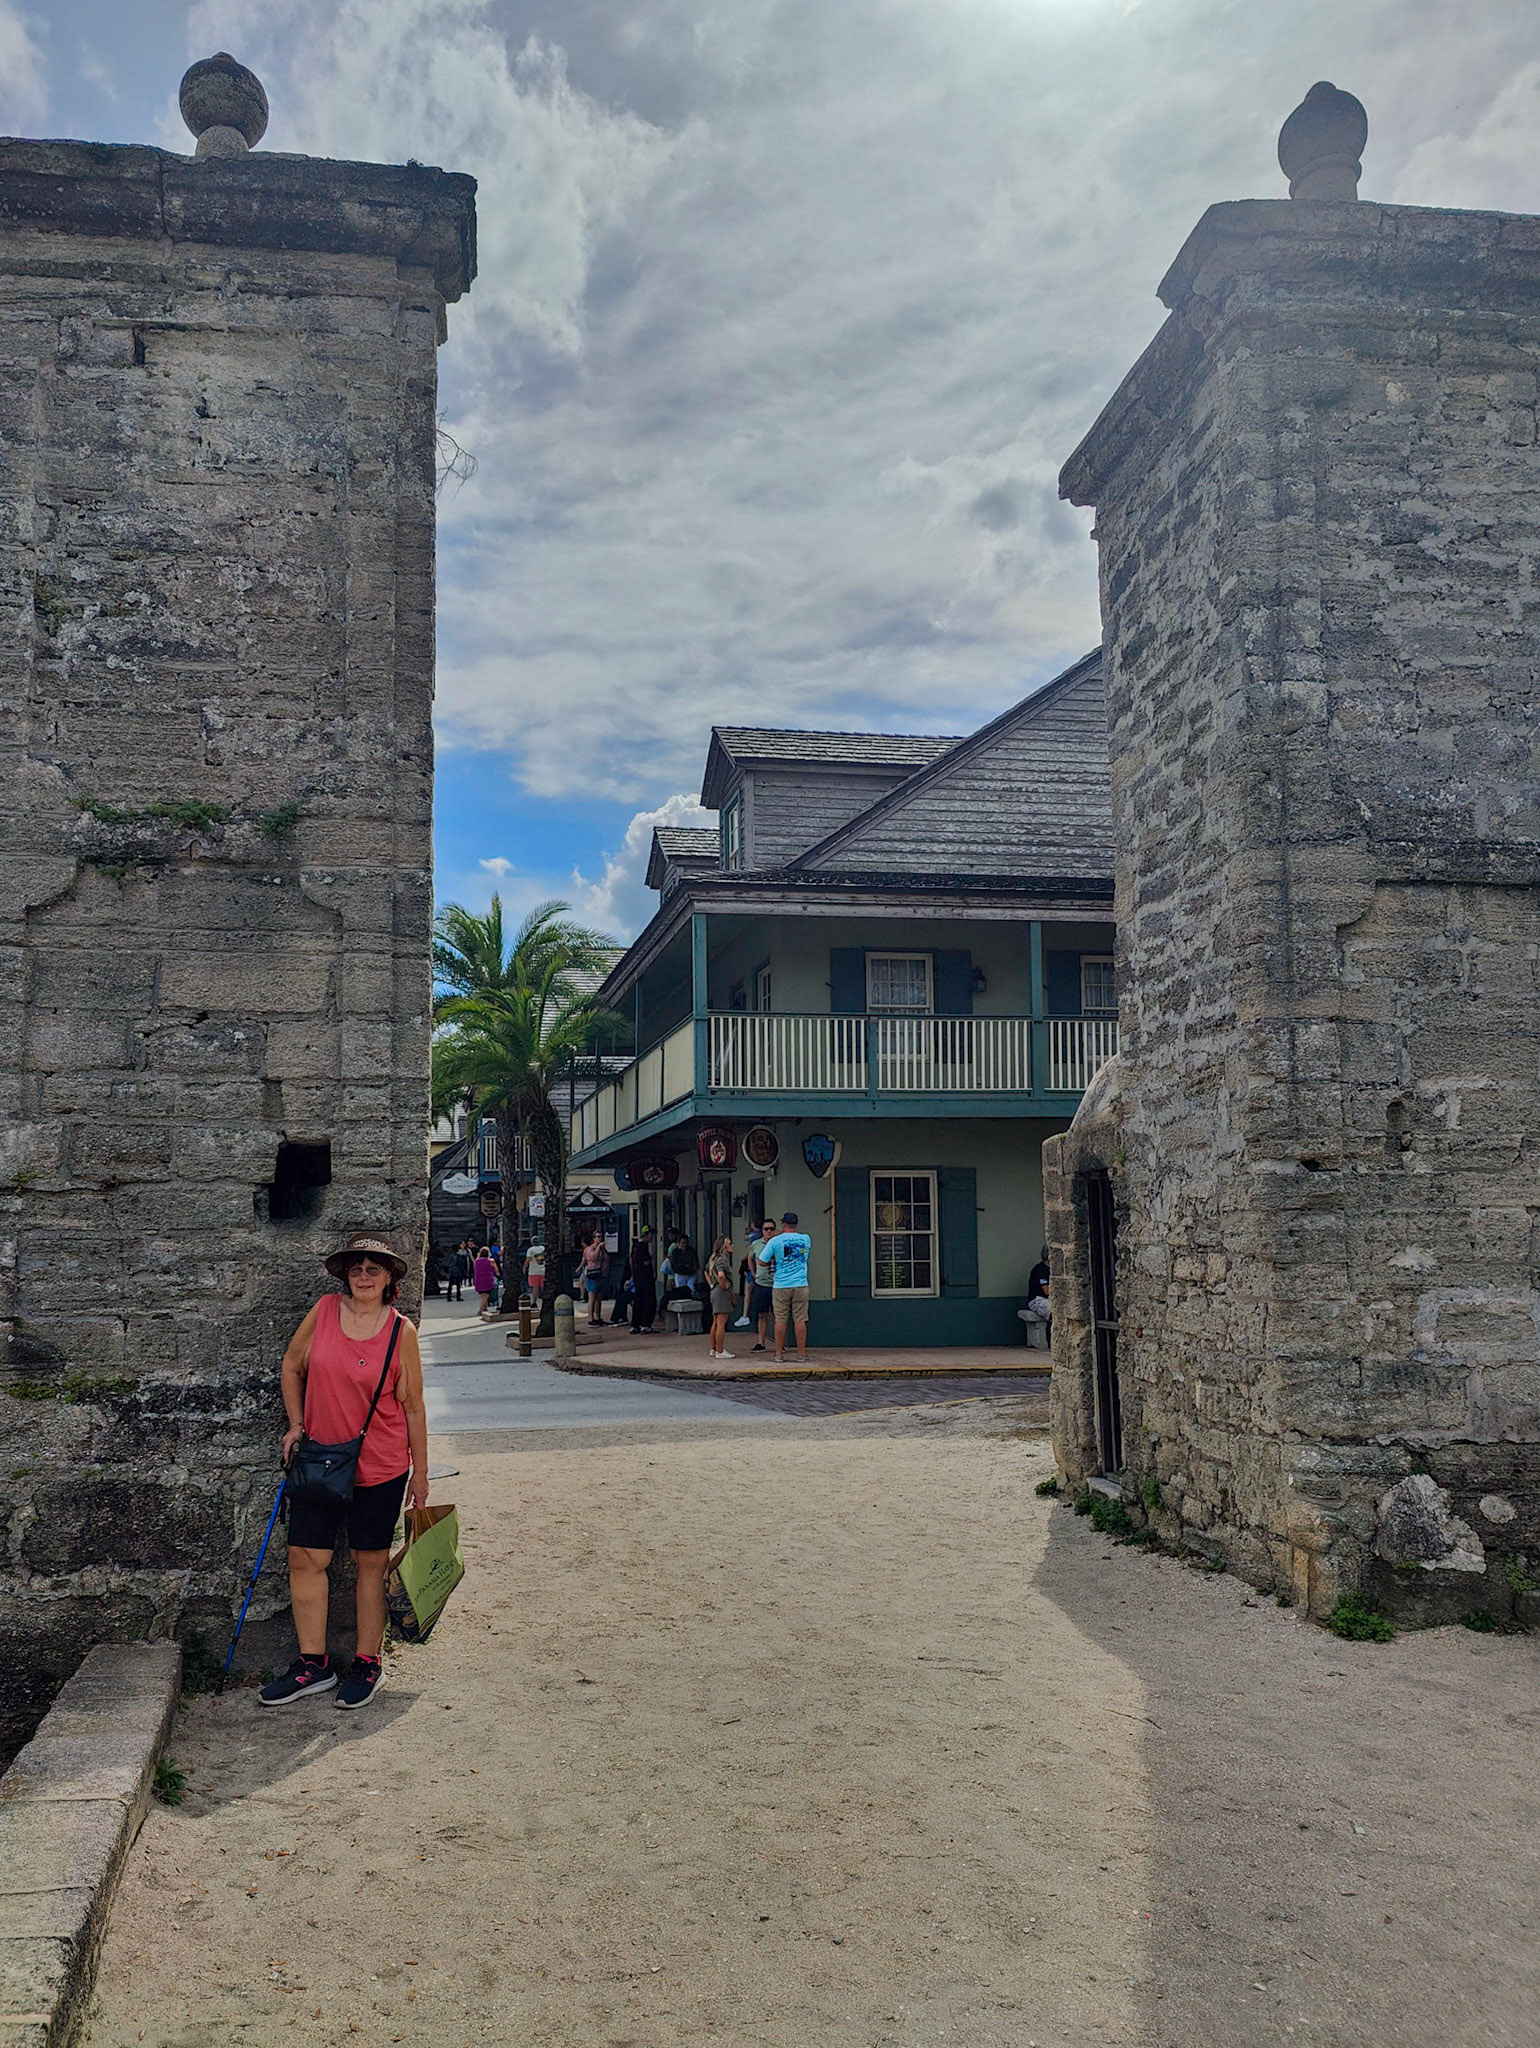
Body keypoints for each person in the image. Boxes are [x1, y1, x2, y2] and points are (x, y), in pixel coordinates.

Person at [259, 1232, 427, 1711]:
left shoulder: (401, 1331)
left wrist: (421, 1474)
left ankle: (367, 1664)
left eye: (375, 1267)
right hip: (320, 1460)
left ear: (391, 1277)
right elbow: (292, 1367)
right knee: (305, 1558)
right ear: (345, 1275)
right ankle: (314, 1665)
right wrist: (296, 1424)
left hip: (382, 1465)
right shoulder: (325, 1312)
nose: (365, 1274)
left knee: (369, 1563)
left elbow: (413, 1405)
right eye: (357, 1266)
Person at [764, 1210, 812, 1362]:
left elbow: (761, 1260)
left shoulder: (775, 1241)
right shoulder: (805, 1239)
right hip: (801, 1283)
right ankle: (801, 1353)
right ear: (796, 1224)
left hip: (781, 1284)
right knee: (800, 1319)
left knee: (780, 1319)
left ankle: (779, 1353)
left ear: (783, 1224)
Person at [706, 1235, 737, 1360]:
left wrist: (712, 1284)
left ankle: (713, 1348)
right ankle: (720, 1350)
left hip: (714, 1291)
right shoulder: (723, 1260)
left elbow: (706, 1271)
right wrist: (724, 1286)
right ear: (724, 1246)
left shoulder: (713, 1258)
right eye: (730, 1243)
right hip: (721, 1293)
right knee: (721, 1323)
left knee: (715, 1322)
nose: (732, 1245)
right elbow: (721, 1275)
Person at [749, 1221, 778, 1353]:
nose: (769, 1231)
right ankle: (761, 1342)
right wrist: (754, 1273)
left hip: (777, 1283)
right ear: (762, 1230)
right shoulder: (756, 1244)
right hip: (761, 1283)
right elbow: (750, 1258)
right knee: (762, 1315)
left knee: (778, 1315)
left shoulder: (779, 1243)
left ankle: (779, 1342)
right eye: (766, 1229)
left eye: (771, 1229)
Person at [1020, 1244, 1052, 1349]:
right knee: (1051, 1308)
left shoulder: (1056, 1270)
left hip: (1050, 1299)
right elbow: (1046, 1291)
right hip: (1037, 1300)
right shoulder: (1039, 1270)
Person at [629, 1226, 657, 1333]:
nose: (652, 1237)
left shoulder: (635, 1246)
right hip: (646, 1278)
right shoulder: (644, 1247)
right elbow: (646, 1262)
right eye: (651, 1234)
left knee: (637, 1301)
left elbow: (632, 1262)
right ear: (647, 1234)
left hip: (637, 1279)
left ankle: (635, 1324)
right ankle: (645, 1324)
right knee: (648, 1301)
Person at [734, 1231, 760, 1329]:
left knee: (747, 1293)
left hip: (751, 1272)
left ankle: (745, 1315)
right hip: (756, 1272)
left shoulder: (753, 1246)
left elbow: (743, 1258)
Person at [580, 1230, 607, 1326]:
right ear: (593, 1238)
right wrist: (598, 1248)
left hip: (601, 1275)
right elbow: (592, 1258)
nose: (599, 1238)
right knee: (592, 1297)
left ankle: (598, 1317)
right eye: (597, 1236)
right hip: (592, 1275)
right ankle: (590, 1319)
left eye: (600, 1236)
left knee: (599, 1298)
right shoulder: (589, 1249)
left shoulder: (603, 1249)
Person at [472, 1244, 498, 1316]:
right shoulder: (491, 1261)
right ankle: (480, 1310)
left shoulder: (476, 1261)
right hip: (488, 1279)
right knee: (486, 1295)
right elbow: (496, 1270)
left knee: (482, 1294)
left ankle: (485, 1308)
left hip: (478, 1280)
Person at [524, 1240, 546, 1306]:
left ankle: (534, 1302)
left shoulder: (530, 1250)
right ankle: (545, 1302)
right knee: (543, 1287)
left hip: (533, 1271)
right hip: (543, 1270)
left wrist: (524, 1267)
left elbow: (528, 1260)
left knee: (535, 1287)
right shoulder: (543, 1248)